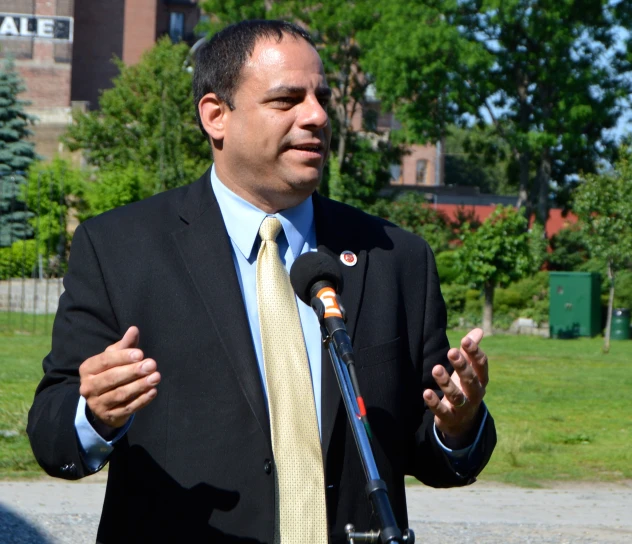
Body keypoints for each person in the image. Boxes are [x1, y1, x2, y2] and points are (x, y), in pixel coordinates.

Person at [27, 20, 496, 543]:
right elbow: (52, 435)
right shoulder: (119, 248)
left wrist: (455, 426)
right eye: (286, 100)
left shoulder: (395, 257)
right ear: (215, 116)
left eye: (320, 96)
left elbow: (426, 447)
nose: (316, 116)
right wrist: (94, 415)